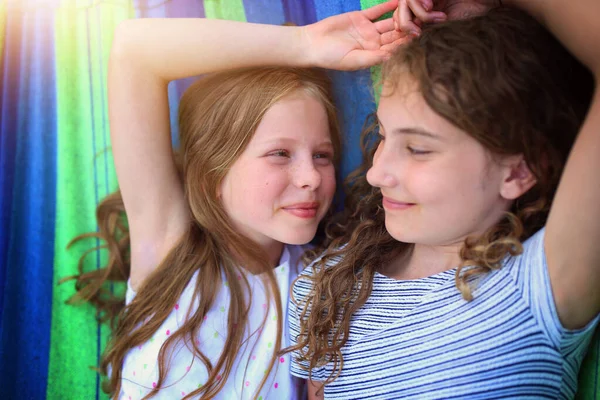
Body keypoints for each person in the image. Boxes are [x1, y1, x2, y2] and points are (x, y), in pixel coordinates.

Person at [63, 2, 407, 399]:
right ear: (214, 175)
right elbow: (133, 51)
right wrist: (303, 45)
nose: (311, 177)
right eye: (280, 154)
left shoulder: (321, 283)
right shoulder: (170, 250)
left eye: (322, 155)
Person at [288, 1, 600, 399]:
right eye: (384, 136)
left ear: (518, 171)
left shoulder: (540, 285)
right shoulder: (327, 283)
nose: (376, 173)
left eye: (418, 149)